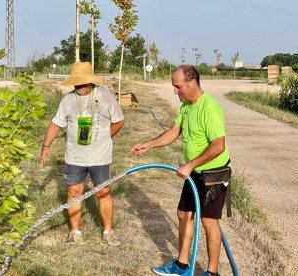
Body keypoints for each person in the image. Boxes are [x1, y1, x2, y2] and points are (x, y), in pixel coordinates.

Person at [131, 65, 230, 276]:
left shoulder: (209, 107)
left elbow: (218, 145)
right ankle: (182, 265)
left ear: (192, 82)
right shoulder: (186, 107)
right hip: (195, 172)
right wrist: (149, 144)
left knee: (209, 221)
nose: (175, 91)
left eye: (178, 87)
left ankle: (212, 272)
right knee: (184, 213)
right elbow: (174, 131)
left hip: (213, 174)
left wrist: (190, 164)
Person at [41, 61, 125, 246]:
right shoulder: (68, 100)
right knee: (74, 192)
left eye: (82, 82)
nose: (79, 86)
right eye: (76, 82)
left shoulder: (105, 96)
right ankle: (75, 232)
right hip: (74, 157)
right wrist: (46, 145)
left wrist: (105, 136)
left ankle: (108, 231)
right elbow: (56, 124)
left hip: (99, 157)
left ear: (91, 81)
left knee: (103, 192)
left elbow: (119, 120)